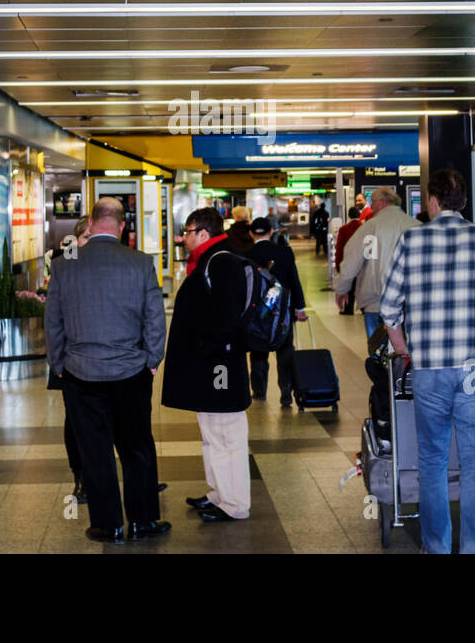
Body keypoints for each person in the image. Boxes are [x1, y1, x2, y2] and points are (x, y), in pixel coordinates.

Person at [379, 169, 475, 555]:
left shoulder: (412, 239)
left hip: (430, 368)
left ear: (432, 201)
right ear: (464, 202)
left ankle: (436, 546)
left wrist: (404, 348)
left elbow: (389, 309)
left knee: (433, 462)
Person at [44, 197, 170, 544]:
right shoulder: (141, 263)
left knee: (94, 450)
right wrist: (151, 361)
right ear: (121, 226)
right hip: (131, 372)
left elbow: (53, 322)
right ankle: (143, 521)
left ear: (93, 222)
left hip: (80, 373)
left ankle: (107, 525)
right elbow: (154, 320)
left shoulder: (65, 266)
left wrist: (59, 365)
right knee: (137, 447)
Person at [161, 207, 252, 522]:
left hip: (220, 366)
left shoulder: (221, 261)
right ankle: (219, 494)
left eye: (187, 232)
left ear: (202, 233)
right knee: (212, 429)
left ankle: (235, 503)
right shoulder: (210, 260)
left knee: (226, 430)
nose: (182, 238)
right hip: (213, 363)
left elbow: (228, 318)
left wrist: (206, 347)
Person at [334, 187, 418, 340]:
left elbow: (352, 262)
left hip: (376, 303)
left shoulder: (370, 228)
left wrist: (341, 289)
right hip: (412, 303)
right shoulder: (416, 226)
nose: (371, 207)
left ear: (383, 202)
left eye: (373, 202)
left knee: (378, 354)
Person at [46, 216, 90, 503]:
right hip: (71, 360)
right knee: (76, 422)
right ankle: (81, 478)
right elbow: (53, 320)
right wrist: (58, 362)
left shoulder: (117, 264)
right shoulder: (66, 268)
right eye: (85, 237)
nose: (90, 242)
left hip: (111, 360)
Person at [246, 216, 307, 405]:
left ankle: (259, 390)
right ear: (271, 232)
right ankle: (286, 392)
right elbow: (294, 281)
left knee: (258, 352)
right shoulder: (285, 252)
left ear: (251, 234)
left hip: (258, 314)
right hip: (283, 312)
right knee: (285, 350)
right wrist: (300, 307)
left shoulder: (245, 255)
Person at [334, 206, 363, 316]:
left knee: (349, 287)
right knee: (361, 286)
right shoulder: (364, 227)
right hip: (362, 263)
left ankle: (348, 309)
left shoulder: (344, 229)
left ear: (349, 215)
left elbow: (339, 249)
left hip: (348, 262)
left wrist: (338, 265)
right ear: (359, 215)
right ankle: (364, 309)